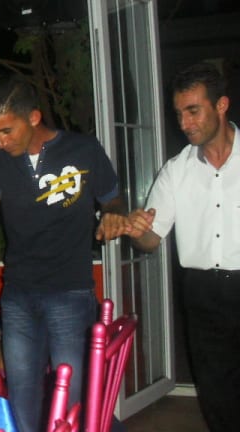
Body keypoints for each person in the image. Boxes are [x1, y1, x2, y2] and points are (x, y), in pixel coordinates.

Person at [0, 76, 127, 432]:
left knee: (72, 398)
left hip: (70, 292)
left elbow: (112, 198)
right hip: (19, 295)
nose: (0, 142)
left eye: (6, 131)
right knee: (23, 395)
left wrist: (113, 214)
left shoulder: (83, 149)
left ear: (33, 117)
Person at [126, 62, 240, 431]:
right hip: (202, 292)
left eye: (193, 111)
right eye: (179, 114)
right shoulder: (176, 170)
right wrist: (136, 229)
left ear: (221, 105)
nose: (184, 123)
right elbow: (150, 240)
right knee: (216, 390)